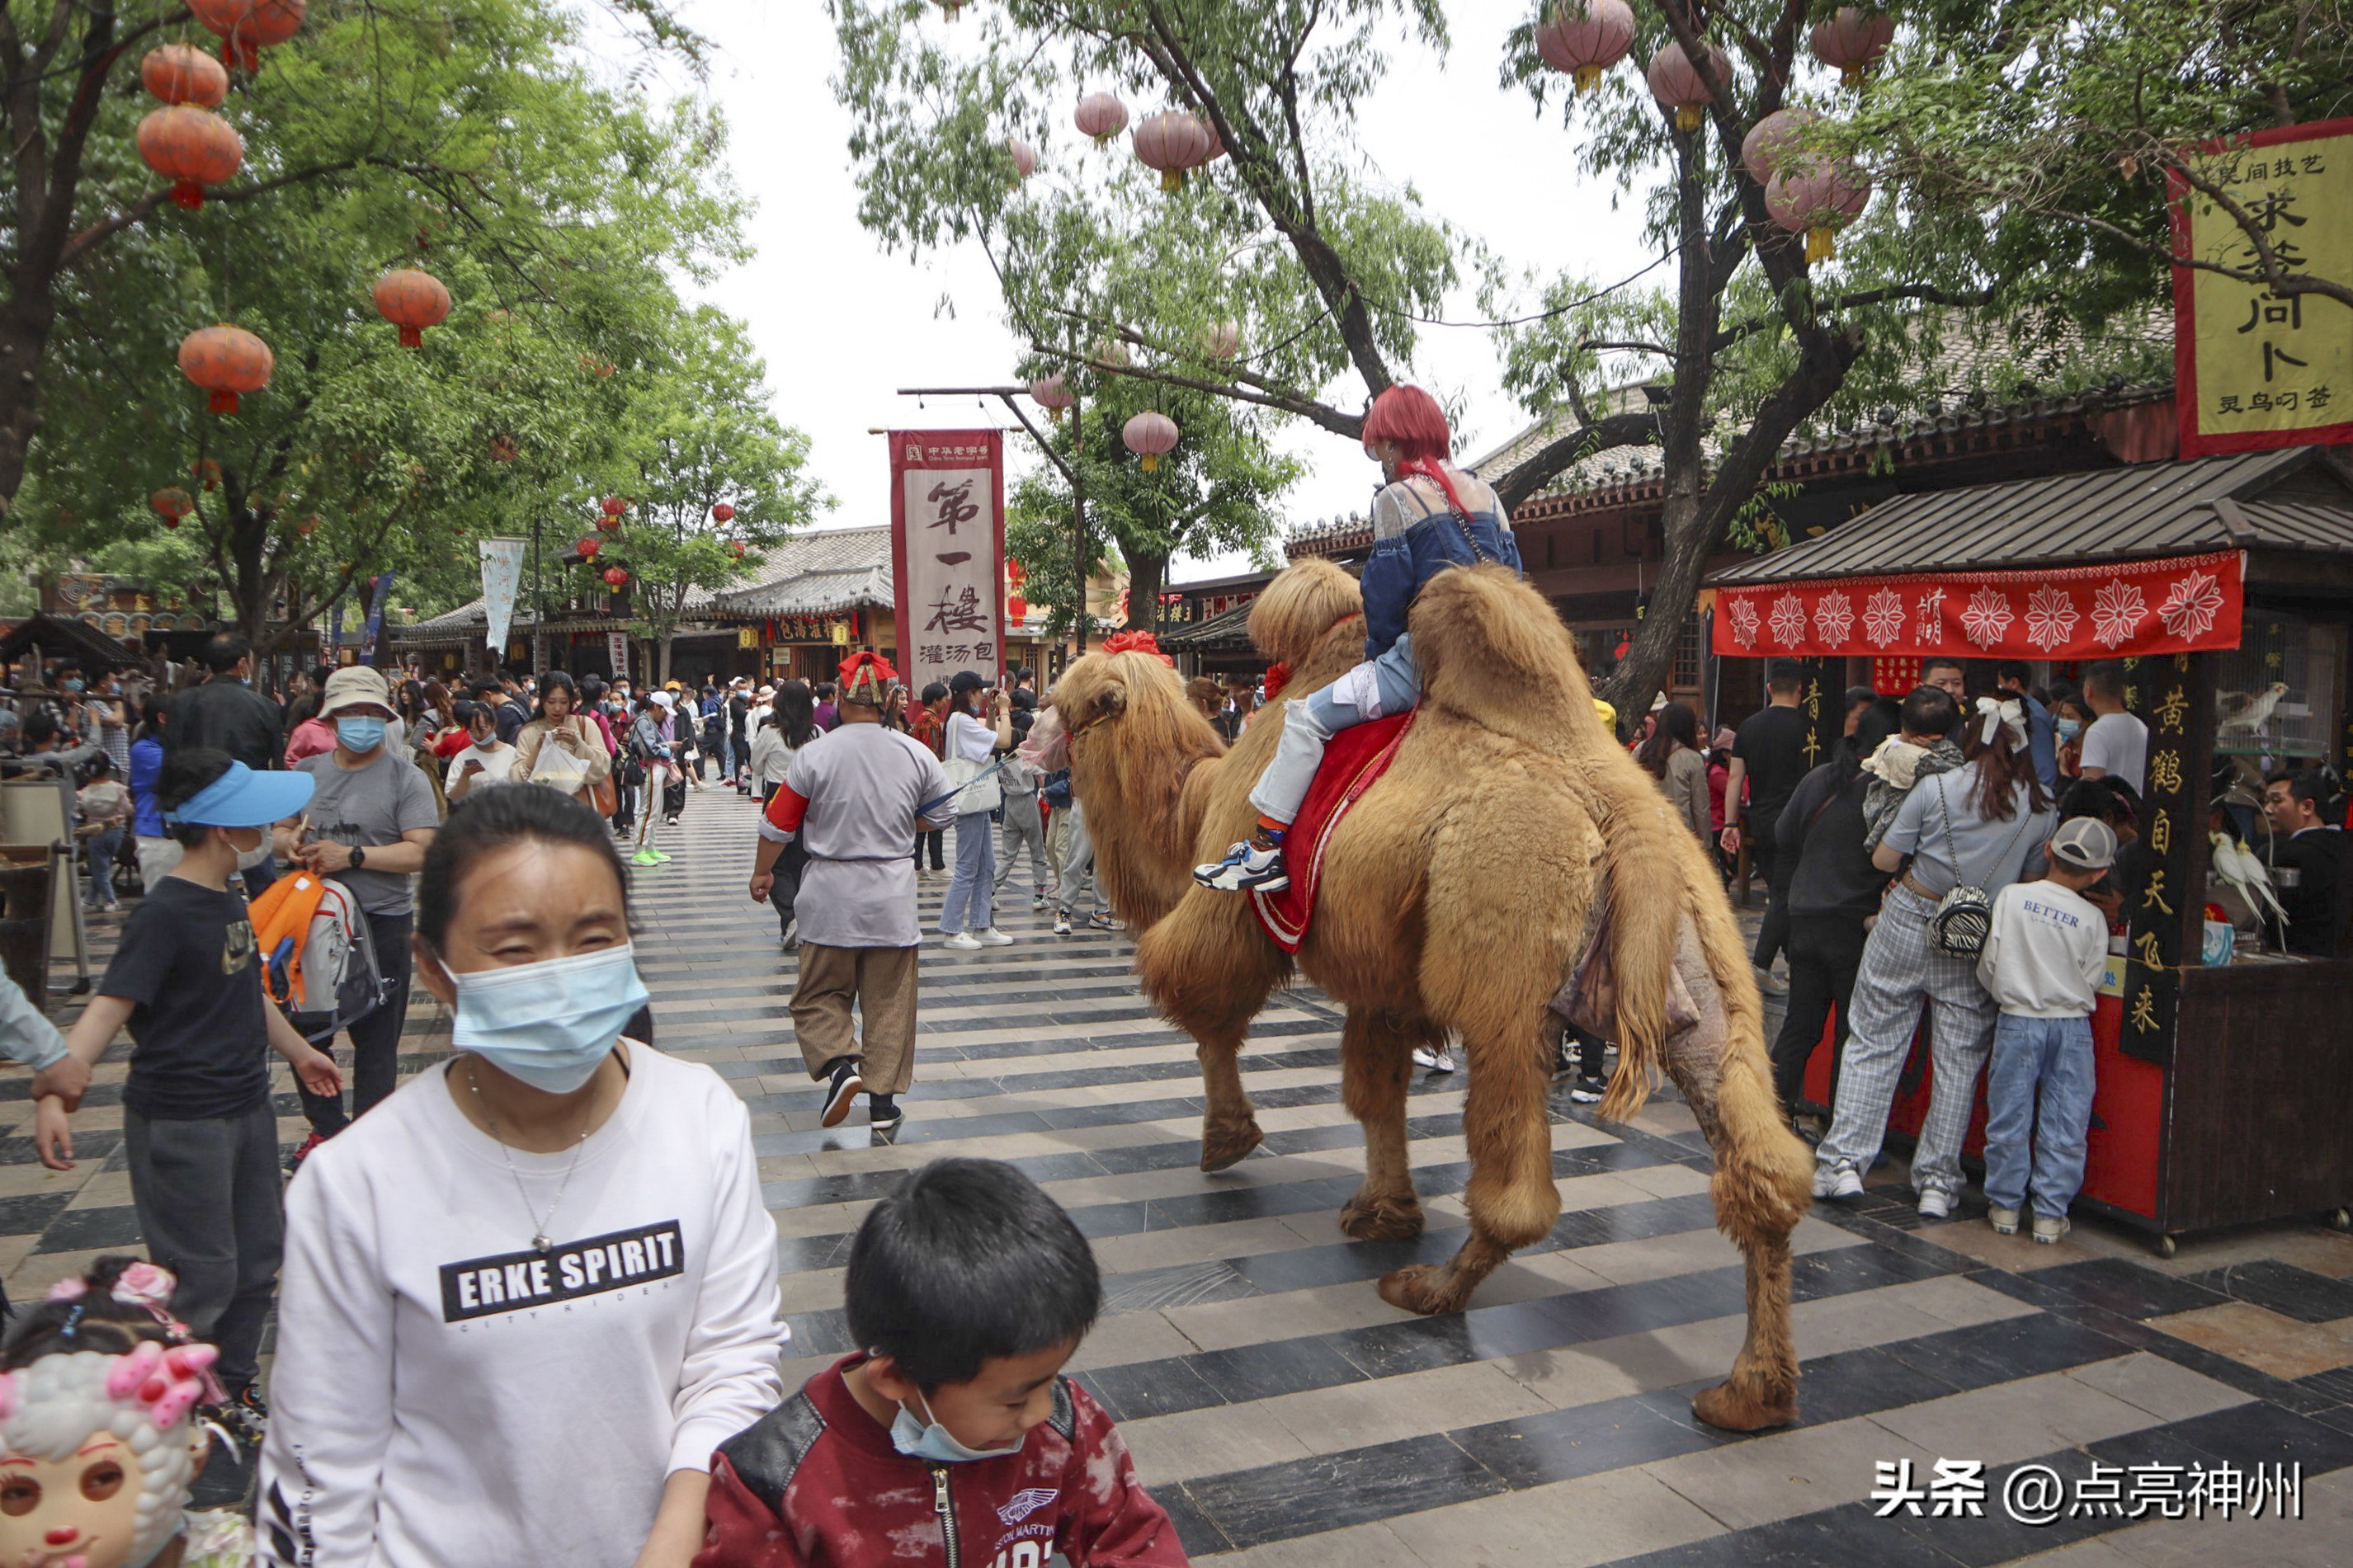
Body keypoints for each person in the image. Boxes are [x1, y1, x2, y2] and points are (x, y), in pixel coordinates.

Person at [259, 786, 785, 1568]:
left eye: (594, 939)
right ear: (434, 968)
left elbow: (733, 1362)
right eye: (514, 948)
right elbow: (319, 1473)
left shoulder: (699, 1116)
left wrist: (672, 1542)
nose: (562, 976)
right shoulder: (355, 1183)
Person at [33, 748, 341, 1439]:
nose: (275, 830)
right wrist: (58, 1088)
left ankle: (229, 1383)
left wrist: (299, 1051)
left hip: (245, 1105)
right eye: (261, 819)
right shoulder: (164, 912)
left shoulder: (227, 897)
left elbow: (247, 989)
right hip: (182, 1119)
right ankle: (167, 1403)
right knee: (202, 1273)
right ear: (223, 828)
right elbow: (110, 1006)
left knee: (258, 1257)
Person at [695, 1158, 1187, 1568]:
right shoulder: (774, 1484)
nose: (1042, 1411)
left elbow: (1132, 1539)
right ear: (896, 1377)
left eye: (1050, 1380)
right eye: (1014, 1400)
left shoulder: (1061, 1426)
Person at [1197, 386, 1522, 894]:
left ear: (1394, 442)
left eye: (1378, 447)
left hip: (1422, 666)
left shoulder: (1396, 498)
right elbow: (1516, 579)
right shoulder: (1489, 495)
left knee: (1304, 717)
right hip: (1496, 667)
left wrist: (1378, 659)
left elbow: (1385, 599)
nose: (1379, 459)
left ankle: (1264, 851)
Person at [1811, 695, 2054, 1217]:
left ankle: (1844, 1164)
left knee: (1873, 1041)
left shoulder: (1936, 786)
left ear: (1970, 737)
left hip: (1908, 915)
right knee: (1959, 1061)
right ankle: (1938, 1185)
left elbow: (1884, 859)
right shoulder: (2041, 807)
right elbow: (2031, 883)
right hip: (1972, 932)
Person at [750, 652, 952, 1143]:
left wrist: (762, 872)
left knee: (817, 996)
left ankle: (840, 1066)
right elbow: (943, 814)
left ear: (840, 698)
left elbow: (778, 823)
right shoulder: (914, 753)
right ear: (889, 700)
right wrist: (900, 822)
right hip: (891, 898)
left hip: (829, 897)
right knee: (890, 1002)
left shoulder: (814, 755)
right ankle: (882, 1105)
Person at [277, 665, 441, 1153]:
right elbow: (278, 831)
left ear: (386, 718)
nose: (362, 720)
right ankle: (326, 1128)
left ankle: (369, 1140)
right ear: (331, 718)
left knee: (377, 1039)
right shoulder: (306, 774)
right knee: (308, 1031)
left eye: (372, 711)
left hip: (381, 921)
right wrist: (288, 843)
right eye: (352, 711)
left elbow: (421, 851)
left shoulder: (405, 778)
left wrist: (351, 856)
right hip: (314, 921)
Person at [1977, 817, 2118, 1245]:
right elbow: (2093, 977)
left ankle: (2005, 1206)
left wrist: (2011, 992)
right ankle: (2050, 1215)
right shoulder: (2093, 918)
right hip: (2072, 1027)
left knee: (2009, 1115)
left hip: (2017, 1019)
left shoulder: (2012, 897)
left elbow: (1989, 964)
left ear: (2048, 850)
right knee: (2065, 1122)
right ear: (2099, 874)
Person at [1768, 700, 1900, 1129]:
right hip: (1852, 923)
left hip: (1805, 915)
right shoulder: (1887, 790)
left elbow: (1783, 833)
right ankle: (1840, 1130)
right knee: (1850, 1033)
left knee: (1800, 1025)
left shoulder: (1819, 777)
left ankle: (1771, 1115)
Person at [1720, 660, 1813, 992]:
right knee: (1785, 895)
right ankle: (1760, 964)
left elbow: (1735, 778)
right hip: (1800, 821)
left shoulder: (1749, 727)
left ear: (1770, 687)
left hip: (1761, 820)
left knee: (1780, 892)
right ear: (1800, 689)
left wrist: (1731, 823)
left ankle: (1793, 963)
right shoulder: (1809, 728)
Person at [940, 671, 1015, 949]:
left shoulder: (959, 719)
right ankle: (952, 929)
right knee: (968, 866)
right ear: (968, 693)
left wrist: (993, 712)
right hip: (971, 801)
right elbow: (1003, 741)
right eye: (979, 691)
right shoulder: (961, 720)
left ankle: (982, 925)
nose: (983, 695)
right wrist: (1005, 710)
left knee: (986, 864)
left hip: (976, 800)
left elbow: (990, 738)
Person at [751, 683, 820, 948]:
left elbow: (756, 766)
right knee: (804, 858)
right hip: (809, 798)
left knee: (775, 861)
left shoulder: (769, 733)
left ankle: (791, 916)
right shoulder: (817, 733)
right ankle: (797, 922)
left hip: (778, 794)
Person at [1859, 685, 1964, 851]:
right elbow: (1956, 765)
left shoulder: (1890, 744)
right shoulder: (1918, 759)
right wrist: (1936, 746)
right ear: (1937, 735)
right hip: (1902, 839)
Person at [163, 634, 283, 778]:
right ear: (242, 663)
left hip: (196, 787)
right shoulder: (266, 707)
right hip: (248, 786)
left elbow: (170, 759)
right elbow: (278, 767)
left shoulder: (181, 701)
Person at [2263, 768, 2347, 957]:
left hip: (2302, 957)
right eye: (2265, 801)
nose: (2267, 809)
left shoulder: (2291, 854)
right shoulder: (2344, 844)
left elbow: (2278, 923)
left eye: (2277, 801)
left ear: (2307, 807)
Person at [513, 671, 615, 809]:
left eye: (563, 702)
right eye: (551, 702)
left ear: (571, 700)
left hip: (579, 807)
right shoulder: (528, 732)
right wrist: (538, 747)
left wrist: (578, 744)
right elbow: (516, 778)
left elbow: (602, 768)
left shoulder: (586, 725)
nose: (557, 708)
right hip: (541, 809)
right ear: (542, 700)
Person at [996, 709, 1050, 909]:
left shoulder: (1002, 761)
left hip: (1009, 804)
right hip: (1026, 803)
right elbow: (1045, 767)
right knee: (1037, 851)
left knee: (1007, 854)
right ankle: (1039, 896)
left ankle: (991, 891)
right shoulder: (1024, 760)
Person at [1636, 699, 1710, 845]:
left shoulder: (1641, 750)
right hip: (1679, 837)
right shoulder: (1693, 759)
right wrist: (1706, 845)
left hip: (1645, 833)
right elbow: (1701, 809)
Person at [128, 698, 180, 892]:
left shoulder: (172, 746)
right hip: (156, 834)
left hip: (182, 831)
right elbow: (179, 770)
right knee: (160, 895)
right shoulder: (142, 749)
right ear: (162, 718)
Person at [2077, 661, 2148, 792]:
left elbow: (2092, 782)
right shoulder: (2141, 726)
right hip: (2138, 802)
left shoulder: (2097, 731)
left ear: (2088, 691)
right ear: (2123, 691)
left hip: (2110, 803)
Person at [76, 753, 131, 911]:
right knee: (102, 866)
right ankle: (88, 900)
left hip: (95, 832)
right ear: (108, 769)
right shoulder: (119, 789)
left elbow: (78, 809)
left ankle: (111, 900)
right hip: (116, 832)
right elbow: (128, 809)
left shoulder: (83, 792)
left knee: (99, 867)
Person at [908, 681, 950, 879]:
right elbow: (931, 751)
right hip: (930, 777)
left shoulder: (920, 718)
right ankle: (937, 864)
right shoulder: (931, 720)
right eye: (943, 700)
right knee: (935, 820)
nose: (945, 704)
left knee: (921, 821)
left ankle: (917, 864)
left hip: (919, 776)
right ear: (935, 700)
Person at [1996, 661, 2058, 791]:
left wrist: (2036, 796)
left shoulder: (2034, 716)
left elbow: (2044, 769)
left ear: (2014, 682)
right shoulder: (2015, 711)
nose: (1999, 689)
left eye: (2001, 684)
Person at [444, 699, 520, 802]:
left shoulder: (511, 753)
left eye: (482, 730)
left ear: (493, 725)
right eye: (472, 731)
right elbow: (454, 796)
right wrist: (465, 775)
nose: (478, 735)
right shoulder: (462, 757)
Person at [2051, 691, 2091, 780]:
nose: (2064, 720)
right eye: (2062, 716)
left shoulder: (2091, 751)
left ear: (2087, 721)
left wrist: (2063, 768)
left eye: (2070, 717)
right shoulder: (2065, 748)